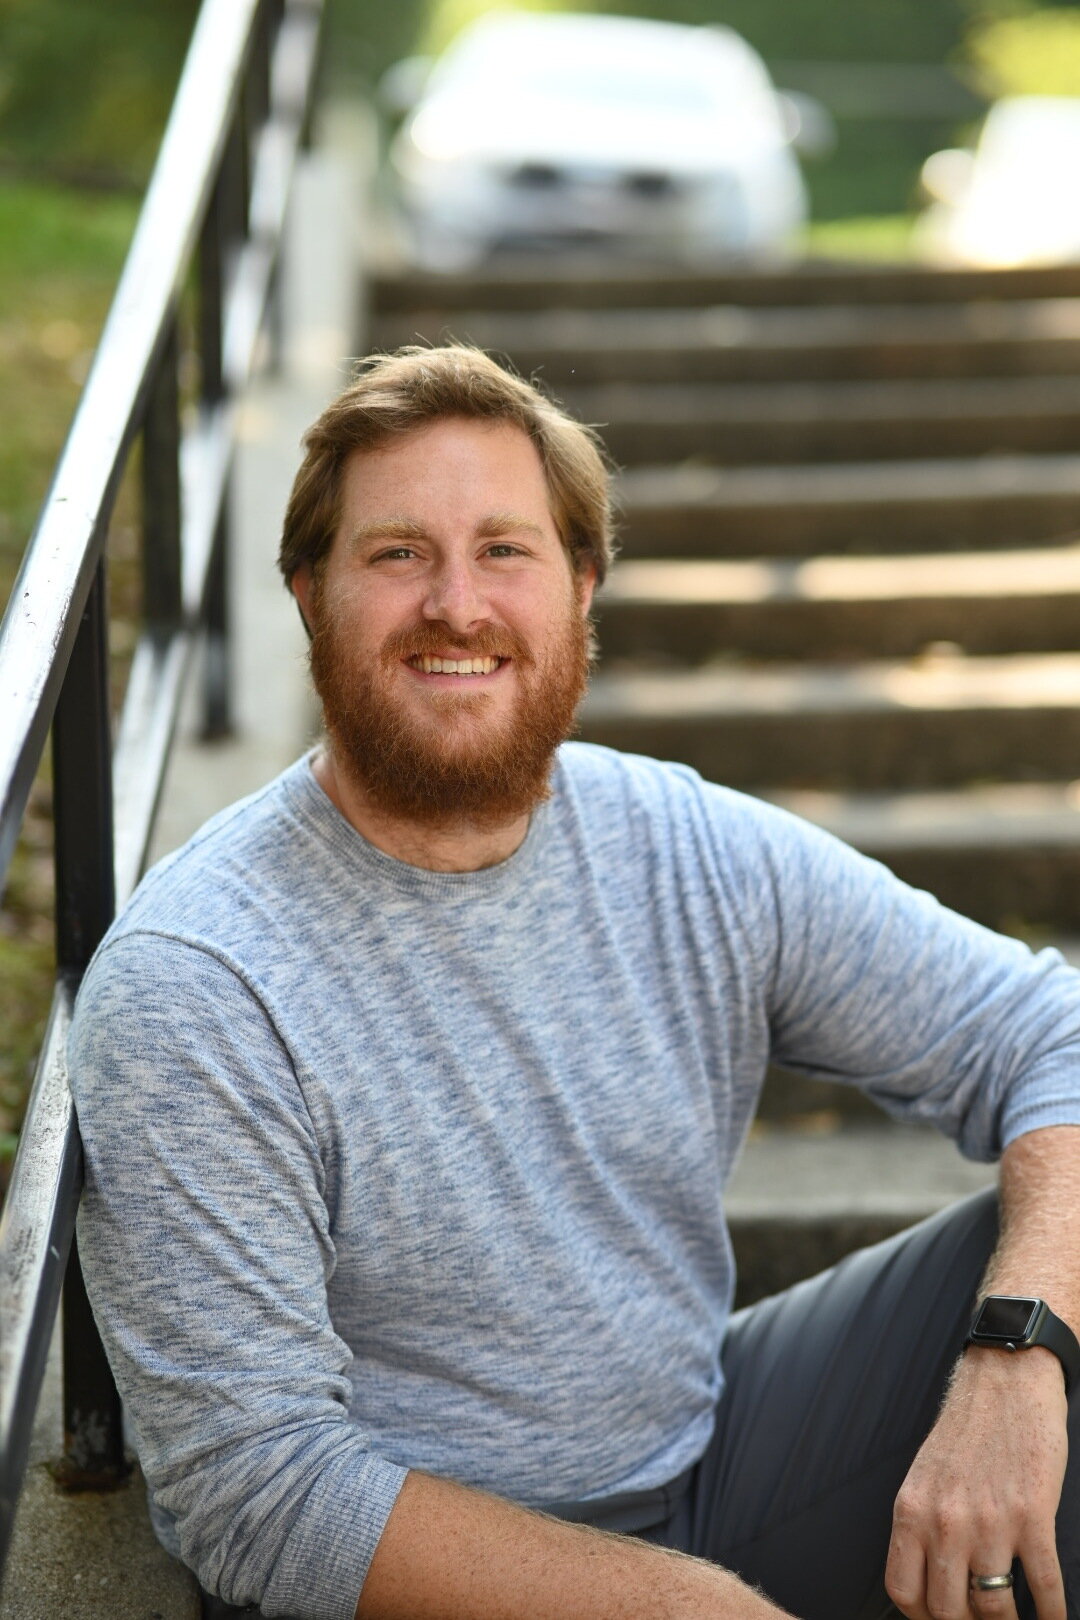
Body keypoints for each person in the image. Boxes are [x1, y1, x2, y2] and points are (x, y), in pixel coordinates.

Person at [69, 344, 1080, 1620]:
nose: (456, 605)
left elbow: (1046, 1032)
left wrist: (1019, 1362)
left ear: (580, 589)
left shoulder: (683, 846)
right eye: (398, 554)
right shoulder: (199, 979)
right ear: (310, 595)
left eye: (505, 550)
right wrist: (698, 1611)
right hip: (418, 1584)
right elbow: (258, 1493)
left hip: (707, 1464)